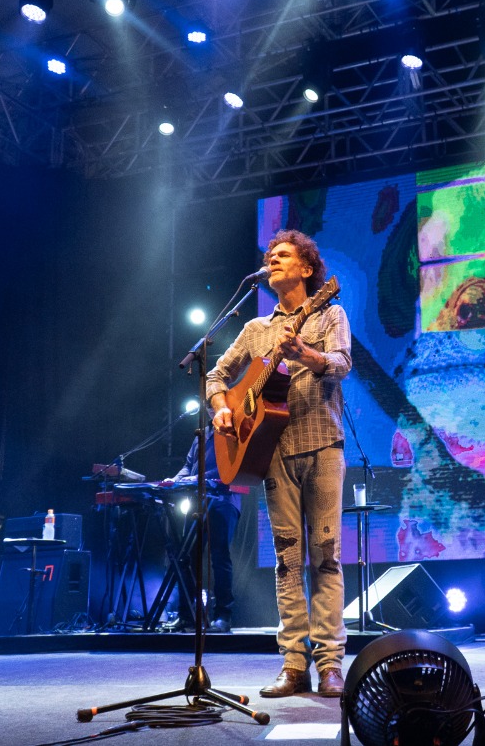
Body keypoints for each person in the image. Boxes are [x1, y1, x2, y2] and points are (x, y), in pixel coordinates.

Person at [206, 230, 352, 698]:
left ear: (308, 270)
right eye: (269, 256)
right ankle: (293, 665)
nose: (272, 260)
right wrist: (222, 408)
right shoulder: (255, 330)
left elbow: (341, 363)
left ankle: (330, 664)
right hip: (273, 455)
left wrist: (303, 353)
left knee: (324, 559)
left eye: (283, 255)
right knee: (287, 564)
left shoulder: (329, 311)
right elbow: (216, 374)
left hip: (323, 446)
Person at [165, 428, 242, 634]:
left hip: (224, 500)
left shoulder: (232, 429)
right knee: (186, 557)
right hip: (198, 501)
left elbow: (230, 466)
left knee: (219, 556)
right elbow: (189, 465)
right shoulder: (203, 432)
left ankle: (223, 616)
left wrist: (197, 478)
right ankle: (186, 615)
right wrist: (176, 479)